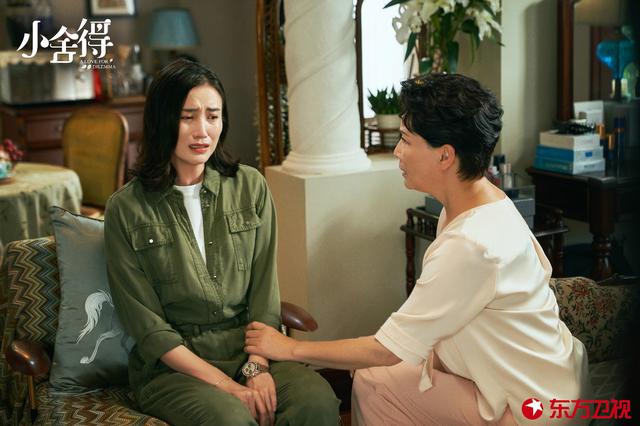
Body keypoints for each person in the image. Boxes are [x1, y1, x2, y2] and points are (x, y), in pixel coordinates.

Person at [245, 73, 591, 425]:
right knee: (375, 375)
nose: (398, 151)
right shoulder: (483, 202)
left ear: (445, 156)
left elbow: (384, 350)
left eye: (406, 140)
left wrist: (288, 347)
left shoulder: (470, 243)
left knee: (373, 379)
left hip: (533, 406)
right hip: (549, 380)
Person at [104, 59, 339, 426]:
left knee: (317, 402)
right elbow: (148, 328)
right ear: (162, 120)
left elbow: (265, 293)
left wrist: (257, 367)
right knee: (231, 420)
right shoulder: (126, 208)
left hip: (249, 351)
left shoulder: (250, 186)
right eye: (187, 117)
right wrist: (228, 386)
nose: (202, 131)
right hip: (174, 369)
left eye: (212, 116)